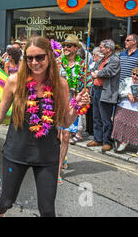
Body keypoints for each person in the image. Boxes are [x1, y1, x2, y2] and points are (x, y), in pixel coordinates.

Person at [0, 36, 90, 217]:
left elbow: (65, 122)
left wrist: (77, 107)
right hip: (17, 151)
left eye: (39, 57)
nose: (34, 62)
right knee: (4, 203)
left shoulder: (60, 84)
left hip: (47, 154)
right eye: (30, 58)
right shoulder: (14, 81)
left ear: (48, 56)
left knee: (48, 210)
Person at [58, 35, 92, 184]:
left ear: (76, 49)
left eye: (69, 45)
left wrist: (83, 97)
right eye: (64, 45)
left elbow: (88, 85)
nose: (66, 48)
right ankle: (61, 158)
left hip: (73, 102)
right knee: (57, 136)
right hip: (57, 101)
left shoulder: (83, 66)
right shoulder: (57, 63)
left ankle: (57, 170)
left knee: (65, 136)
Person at [89, 39, 121, 152]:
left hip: (106, 92)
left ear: (108, 49)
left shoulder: (115, 60)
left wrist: (96, 73)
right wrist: (95, 73)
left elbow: (107, 72)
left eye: (101, 47)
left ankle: (107, 142)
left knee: (105, 119)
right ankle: (98, 139)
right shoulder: (103, 59)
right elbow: (93, 68)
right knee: (96, 117)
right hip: (97, 90)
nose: (100, 48)